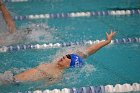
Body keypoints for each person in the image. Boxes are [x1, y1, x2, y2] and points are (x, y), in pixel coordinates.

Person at [0, 31, 116, 85]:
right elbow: (89, 51)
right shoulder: (53, 63)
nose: (64, 56)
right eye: (65, 55)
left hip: (13, 82)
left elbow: (43, 88)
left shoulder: (57, 75)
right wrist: (106, 41)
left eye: (68, 57)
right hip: (11, 77)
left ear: (70, 65)